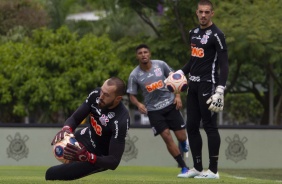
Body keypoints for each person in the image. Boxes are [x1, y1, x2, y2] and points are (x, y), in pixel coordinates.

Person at [173, 0, 229, 179]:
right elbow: (193, 61)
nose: (203, 15)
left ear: (212, 13)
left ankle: (213, 170)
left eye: (207, 12)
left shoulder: (217, 34)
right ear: (196, 13)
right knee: (191, 126)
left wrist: (220, 90)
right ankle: (197, 168)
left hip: (209, 85)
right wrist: (179, 73)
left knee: (210, 126)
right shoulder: (193, 33)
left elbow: (224, 65)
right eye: (200, 12)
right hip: (193, 85)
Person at [45, 77, 130, 180]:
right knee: (61, 149)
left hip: (97, 156)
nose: (101, 96)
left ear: (118, 99)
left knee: (50, 174)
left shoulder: (121, 119)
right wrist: (66, 129)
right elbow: (75, 118)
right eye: (102, 91)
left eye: (106, 95)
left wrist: (88, 156)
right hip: (87, 136)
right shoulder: (96, 94)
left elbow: (113, 161)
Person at [127, 44, 190, 177]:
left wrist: (178, 96)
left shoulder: (161, 65)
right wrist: (138, 104)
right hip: (154, 111)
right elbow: (131, 95)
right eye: (140, 53)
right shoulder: (134, 75)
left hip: (170, 105)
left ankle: (184, 142)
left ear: (149, 54)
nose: (143, 55)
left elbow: (176, 79)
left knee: (181, 137)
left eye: (145, 52)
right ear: (137, 56)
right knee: (166, 136)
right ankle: (184, 167)